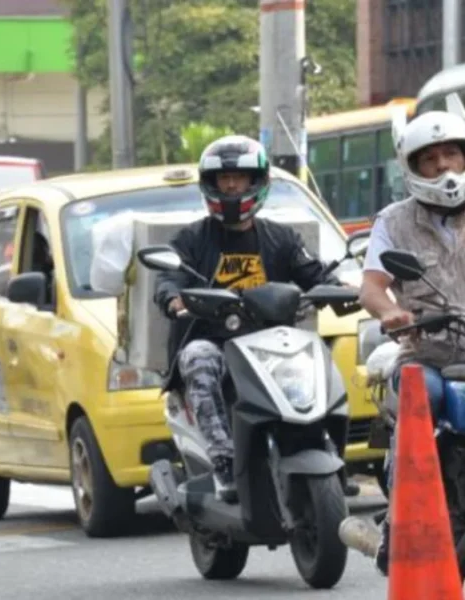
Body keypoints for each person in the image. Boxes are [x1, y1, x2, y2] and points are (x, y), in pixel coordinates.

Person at [153, 135, 339, 503]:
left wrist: (340, 289)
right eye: (224, 179)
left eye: (240, 177)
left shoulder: (281, 238)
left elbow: (314, 274)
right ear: (211, 185)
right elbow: (168, 277)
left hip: (271, 344)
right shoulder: (192, 239)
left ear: (258, 182)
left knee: (318, 358)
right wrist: (174, 298)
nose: (233, 185)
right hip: (214, 340)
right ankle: (223, 460)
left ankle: (325, 448)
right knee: (198, 358)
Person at [345, 107, 465, 578]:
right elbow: (372, 285)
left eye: (452, 153)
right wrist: (391, 312)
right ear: (412, 168)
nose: (443, 166)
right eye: (430, 158)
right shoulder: (394, 221)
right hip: (429, 354)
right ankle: (400, 525)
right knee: (421, 398)